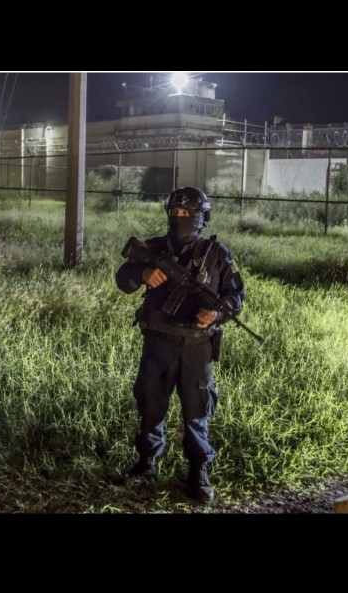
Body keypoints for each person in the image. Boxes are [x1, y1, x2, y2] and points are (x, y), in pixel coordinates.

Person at [114, 186, 245, 503]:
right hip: (158, 342)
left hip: (196, 347)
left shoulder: (218, 255)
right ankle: (146, 463)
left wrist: (216, 314)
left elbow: (235, 297)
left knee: (196, 410)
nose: (180, 217)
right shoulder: (154, 248)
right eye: (174, 212)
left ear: (203, 216)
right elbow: (122, 279)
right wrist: (143, 273)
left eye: (187, 213)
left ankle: (198, 471)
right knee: (151, 404)